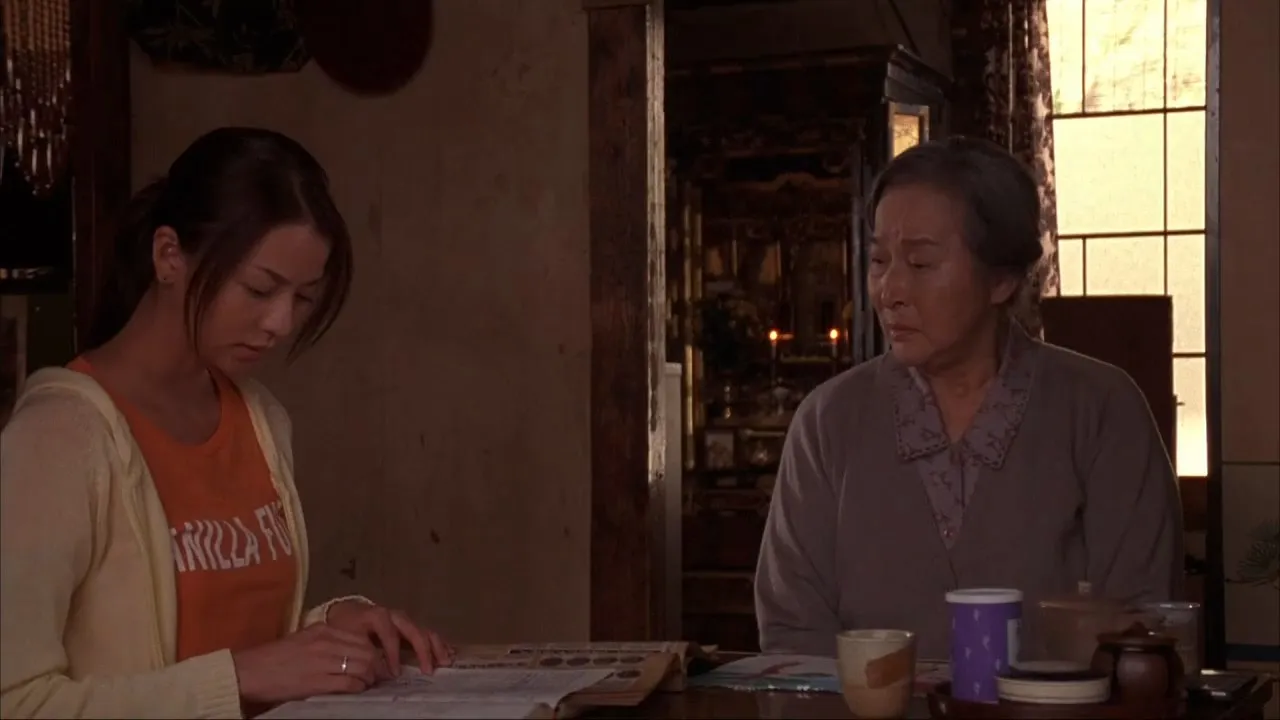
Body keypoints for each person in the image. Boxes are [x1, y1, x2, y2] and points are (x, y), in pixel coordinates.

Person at [0, 127, 453, 719]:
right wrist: (239, 680)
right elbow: (16, 701)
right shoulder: (58, 440)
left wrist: (330, 627)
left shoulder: (260, 419)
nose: (281, 323)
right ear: (169, 256)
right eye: (260, 289)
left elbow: (230, 642)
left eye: (303, 298)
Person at [754, 137, 1184, 660]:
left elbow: (1142, 621)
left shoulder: (1101, 410)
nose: (890, 290)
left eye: (920, 264)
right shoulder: (828, 420)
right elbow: (793, 634)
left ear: (1002, 278)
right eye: (879, 260)